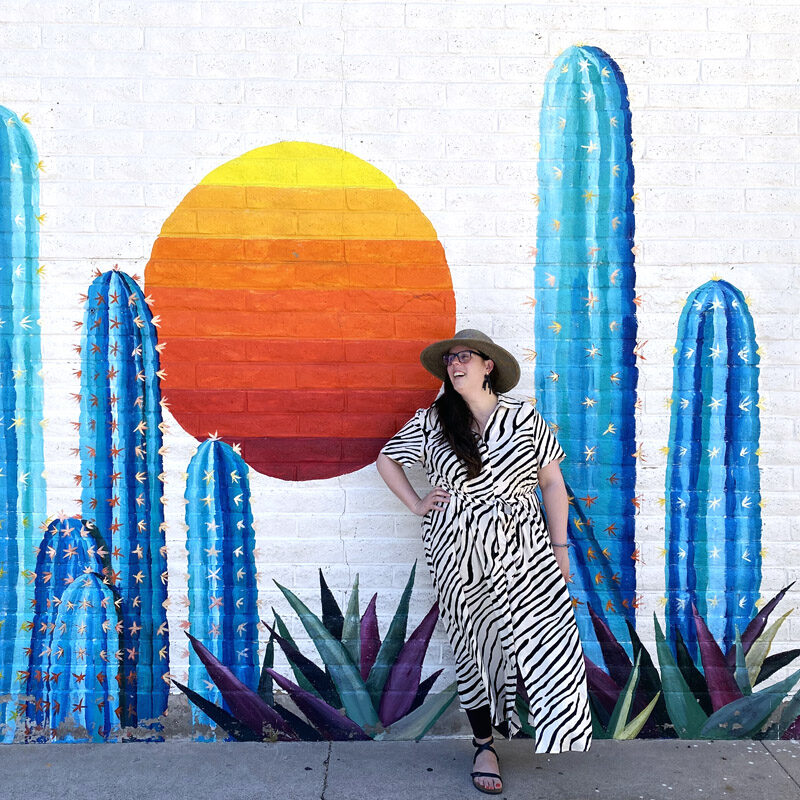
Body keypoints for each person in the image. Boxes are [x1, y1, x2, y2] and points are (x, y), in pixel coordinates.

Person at [376, 329, 592, 795]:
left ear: (487, 365)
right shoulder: (433, 420)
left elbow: (552, 484)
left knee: (546, 633)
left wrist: (560, 548)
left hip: (525, 544)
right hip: (455, 544)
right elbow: (387, 459)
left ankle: (558, 729)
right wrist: (417, 504)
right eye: (449, 360)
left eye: (464, 357)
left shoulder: (525, 417)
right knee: (472, 642)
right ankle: (484, 745)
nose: (455, 365)